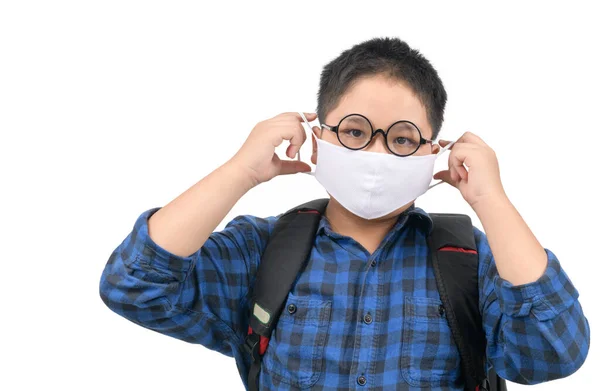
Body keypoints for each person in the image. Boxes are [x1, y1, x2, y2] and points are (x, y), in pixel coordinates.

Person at [99, 37, 590, 390]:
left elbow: (552, 355)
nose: (376, 153)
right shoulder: (262, 251)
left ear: (433, 151)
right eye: (355, 132)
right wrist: (241, 171)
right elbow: (134, 287)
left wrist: (492, 201)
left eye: (401, 139)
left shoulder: (471, 260)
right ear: (320, 134)